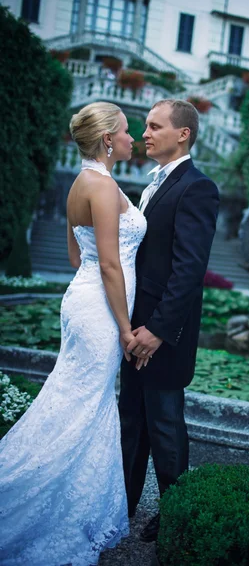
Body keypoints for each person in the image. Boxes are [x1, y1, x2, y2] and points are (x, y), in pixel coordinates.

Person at [0, 101, 147, 565]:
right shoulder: (100, 186)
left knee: (75, 398)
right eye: (126, 131)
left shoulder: (79, 184)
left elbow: (75, 257)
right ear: (107, 140)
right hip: (101, 311)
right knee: (82, 402)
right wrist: (126, 329)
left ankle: (70, 500)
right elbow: (107, 264)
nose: (132, 137)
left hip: (81, 301)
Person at [118, 99, 219, 543]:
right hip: (134, 328)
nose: (145, 133)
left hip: (163, 332)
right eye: (144, 126)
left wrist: (158, 330)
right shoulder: (153, 184)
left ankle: (174, 515)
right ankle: (123, 502)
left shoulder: (197, 187)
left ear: (183, 134)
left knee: (164, 423)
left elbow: (189, 270)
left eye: (154, 126)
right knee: (132, 420)